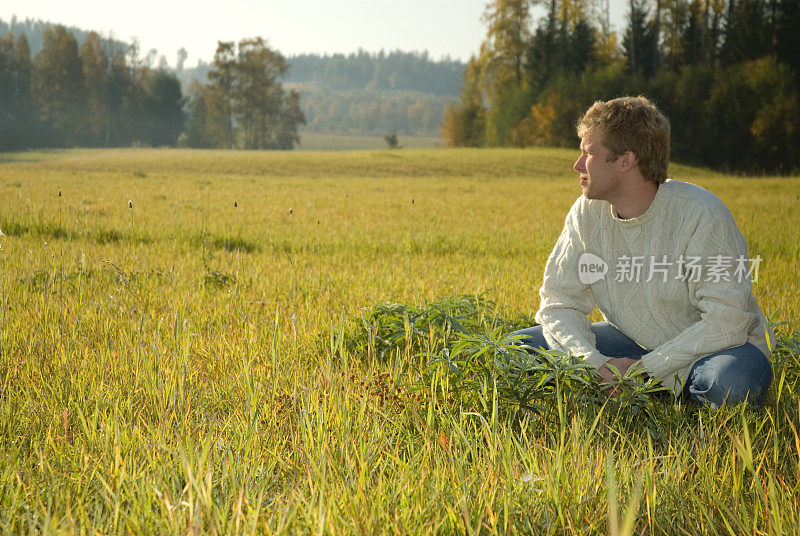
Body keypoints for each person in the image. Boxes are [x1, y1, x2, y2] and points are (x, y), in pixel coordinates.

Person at [513, 96, 773, 408]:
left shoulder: (701, 214)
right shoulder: (586, 213)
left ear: (626, 160)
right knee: (517, 348)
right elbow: (559, 304)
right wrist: (593, 364)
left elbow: (727, 321)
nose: (578, 165)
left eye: (589, 154)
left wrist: (647, 370)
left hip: (717, 349)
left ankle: (661, 391)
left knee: (730, 383)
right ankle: (653, 392)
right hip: (634, 342)